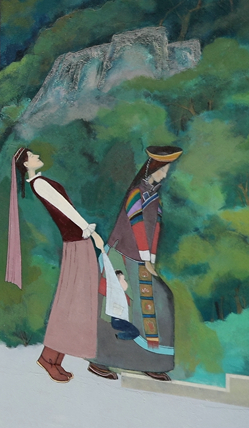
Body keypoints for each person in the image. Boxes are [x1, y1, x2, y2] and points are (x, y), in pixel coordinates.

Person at [7, 148, 104, 383]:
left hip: (76, 242)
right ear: (26, 164)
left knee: (74, 302)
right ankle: (49, 358)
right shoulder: (39, 183)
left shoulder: (40, 182)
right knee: (71, 302)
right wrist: (90, 231)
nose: (37, 156)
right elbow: (66, 209)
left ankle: (54, 359)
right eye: (32, 156)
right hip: (77, 242)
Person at [88, 146, 182, 382]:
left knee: (161, 300)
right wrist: (145, 258)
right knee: (116, 308)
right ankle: (100, 360)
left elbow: (155, 229)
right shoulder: (135, 194)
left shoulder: (155, 197)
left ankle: (153, 362)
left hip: (142, 260)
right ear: (152, 168)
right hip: (122, 256)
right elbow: (137, 226)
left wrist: (151, 260)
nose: (165, 174)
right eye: (163, 169)